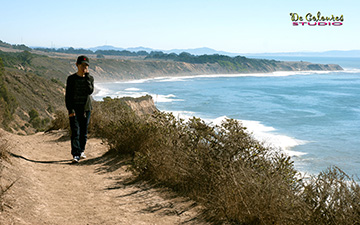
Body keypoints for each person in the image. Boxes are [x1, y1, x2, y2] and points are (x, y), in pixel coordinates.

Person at [65, 55, 94, 163]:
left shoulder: (90, 78)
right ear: (77, 65)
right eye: (82, 65)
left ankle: (81, 150)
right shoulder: (71, 79)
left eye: (86, 65)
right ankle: (75, 154)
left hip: (86, 109)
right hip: (75, 109)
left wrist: (86, 77)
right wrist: (70, 110)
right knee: (75, 132)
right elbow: (68, 96)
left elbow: (90, 91)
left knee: (84, 132)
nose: (84, 67)